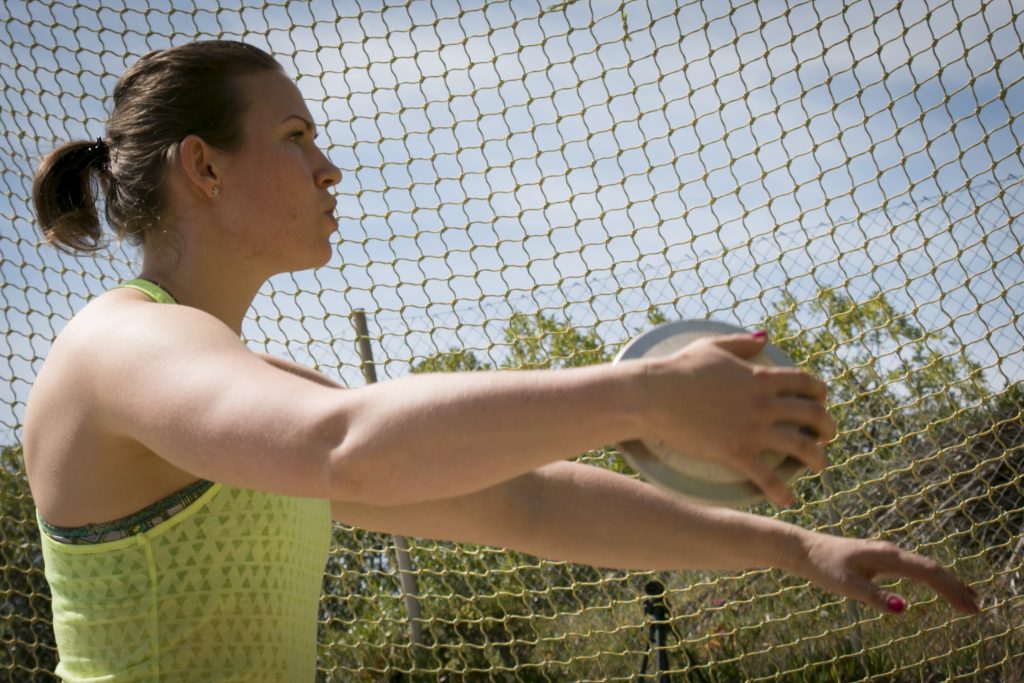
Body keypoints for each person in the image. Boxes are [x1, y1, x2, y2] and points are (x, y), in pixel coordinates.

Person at [25, 40, 979, 682]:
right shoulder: (121, 345)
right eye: (294, 135)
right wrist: (643, 394)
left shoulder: (241, 394)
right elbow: (351, 446)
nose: (330, 167)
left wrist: (796, 547)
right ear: (204, 167)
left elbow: (526, 501)